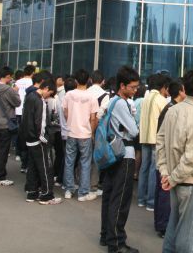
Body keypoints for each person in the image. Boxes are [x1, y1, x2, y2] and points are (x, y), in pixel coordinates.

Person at [156, 69, 193, 253]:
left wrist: (166, 172)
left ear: (184, 89)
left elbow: (160, 141)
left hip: (175, 179)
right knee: (187, 239)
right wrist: (170, 177)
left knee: (174, 230)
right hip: (191, 181)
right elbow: (191, 158)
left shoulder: (172, 110)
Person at [100, 66, 141, 253]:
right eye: (132, 87)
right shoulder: (122, 104)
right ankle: (117, 242)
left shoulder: (112, 101)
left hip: (113, 154)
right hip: (124, 154)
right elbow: (134, 130)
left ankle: (106, 235)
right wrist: (132, 122)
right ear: (122, 86)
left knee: (109, 196)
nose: (135, 90)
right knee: (121, 199)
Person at [153, 79, 185, 238]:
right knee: (165, 191)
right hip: (166, 157)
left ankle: (160, 223)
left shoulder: (170, 107)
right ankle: (163, 226)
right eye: (184, 89)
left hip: (163, 155)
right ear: (180, 92)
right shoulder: (172, 109)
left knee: (162, 190)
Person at [21, 79, 61, 205]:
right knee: (46, 168)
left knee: (32, 167)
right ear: (46, 88)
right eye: (50, 93)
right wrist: (44, 138)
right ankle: (46, 195)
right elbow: (41, 123)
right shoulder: (40, 101)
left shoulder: (30, 97)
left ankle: (32, 193)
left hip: (29, 138)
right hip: (38, 139)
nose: (48, 96)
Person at [62, 69, 98, 201]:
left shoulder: (69, 95)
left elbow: (65, 112)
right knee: (85, 163)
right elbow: (93, 118)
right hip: (85, 134)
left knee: (69, 161)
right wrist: (91, 132)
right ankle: (83, 193)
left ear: (76, 81)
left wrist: (70, 122)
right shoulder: (91, 97)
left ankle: (69, 189)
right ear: (88, 80)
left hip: (71, 132)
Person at [138, 73, 169, 211]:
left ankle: (141, 199)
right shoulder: (162, 100)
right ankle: (151, 201)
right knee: (153, 169)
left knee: (144, 167)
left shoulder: (145, 99)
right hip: (156, 138)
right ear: (162, 87)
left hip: (144, 136)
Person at [0, 67, 21, 186]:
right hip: (5, 124)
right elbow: (17, 103)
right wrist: (16, 91)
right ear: (7, 76)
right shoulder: (9, 90)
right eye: (10, 77)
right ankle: (0, 176)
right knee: (3, 151)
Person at [14, 65, 35, 171]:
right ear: (33, 73)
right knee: (26, 135)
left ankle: (18, 153)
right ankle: (25, 159)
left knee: (19, 133)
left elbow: (14, 92)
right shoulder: (32, 82)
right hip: (26, 110)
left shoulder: (18, 81)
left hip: (17, 109)